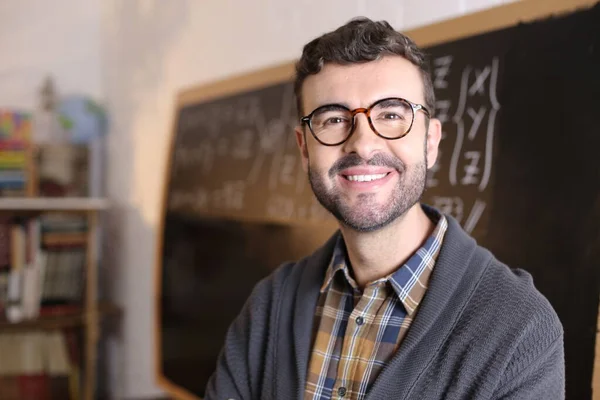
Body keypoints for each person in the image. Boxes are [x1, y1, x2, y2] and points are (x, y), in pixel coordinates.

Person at [204, 17, 564, 400]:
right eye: (334, 119)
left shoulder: (520, 330)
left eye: (391, 115)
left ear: (431, 141)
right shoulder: (269, 306)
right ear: (305, 148)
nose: (362, 143)